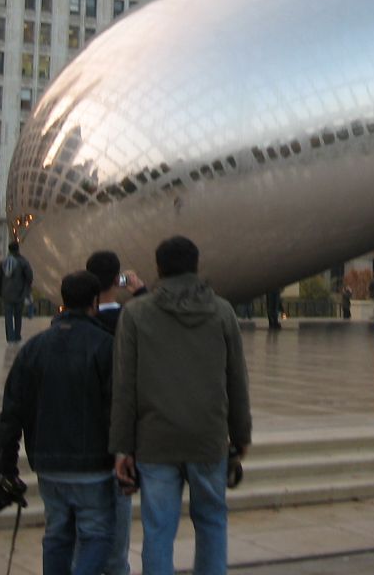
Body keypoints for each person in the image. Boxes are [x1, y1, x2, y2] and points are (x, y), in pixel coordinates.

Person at [110, 236, 252, 575]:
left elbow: (124, 387)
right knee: (212, 521)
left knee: (158, 529)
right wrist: (241, 434)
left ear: (158, 268)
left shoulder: (135, 314)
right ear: (196, 265)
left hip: (155, 440)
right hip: (207, 437)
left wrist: (121, 447)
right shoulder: (222, 312)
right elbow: (236, 379)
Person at [0, 271, 115, 575]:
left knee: (57, 535)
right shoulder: (105, 346)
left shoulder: (34, 349)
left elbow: (10, 414)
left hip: (48, 463)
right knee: (97, 535)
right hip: (93, 465)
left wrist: (5, 467)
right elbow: (119, 408)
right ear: (95, 302)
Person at [86, 249, 147, 575]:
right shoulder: (131, 320)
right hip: (120, 436)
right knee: (118, 515)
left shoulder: (78, 324)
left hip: (82, 439)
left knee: (82, 525)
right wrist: (142, 292)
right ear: (117, 280)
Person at [0, 241, 34, 344]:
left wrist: (0, 291)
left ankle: (10, 337)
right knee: (18, 316)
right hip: (19, 293)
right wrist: (26, 289)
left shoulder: (3, 262)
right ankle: (17, 335)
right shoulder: (23, 262)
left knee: (8, 316)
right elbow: (29, 277)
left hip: (6, 293)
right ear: (18, 249)